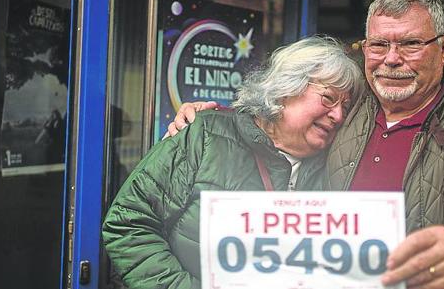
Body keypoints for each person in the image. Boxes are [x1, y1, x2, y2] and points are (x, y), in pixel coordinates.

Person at [168, 0, 444, 289]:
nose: (391, 59)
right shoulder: (350, 103)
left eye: (410, 44)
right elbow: (285, 116)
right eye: (378, 45)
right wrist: (216, 116)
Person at [102, 36, 364, 289]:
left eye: (346, 107)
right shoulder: (203, 135)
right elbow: (129, 223)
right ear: (286, 89)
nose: (338, 115)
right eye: (329, 98)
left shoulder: (337, 167)